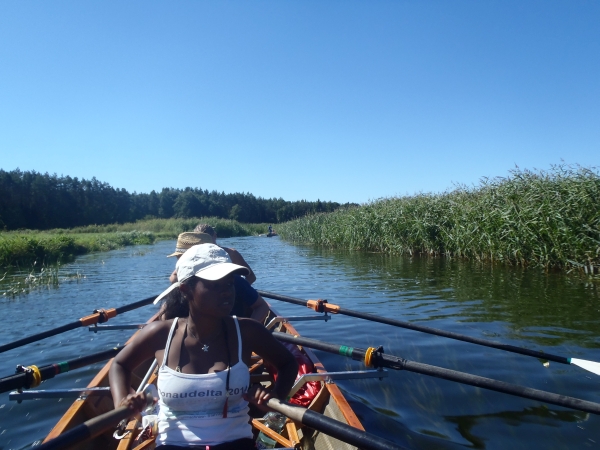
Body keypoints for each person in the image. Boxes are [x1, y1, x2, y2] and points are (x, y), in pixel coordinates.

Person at [110, 244, 298, 450]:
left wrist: (272, 402)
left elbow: (288, 363)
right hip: (174, 444)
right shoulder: (160, 334)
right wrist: (123, 401)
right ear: (186, 289)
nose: (227, 292)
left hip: (236, 443)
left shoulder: (247, 330)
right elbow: (119, 364)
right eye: (216, 285)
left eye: (230, 284)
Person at [165, 232, 268, 323]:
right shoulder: (181, 284)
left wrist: (244, 333)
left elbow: (261, 305)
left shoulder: (236, 281)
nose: (227, 291)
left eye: (181, 258)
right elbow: (165, 314)